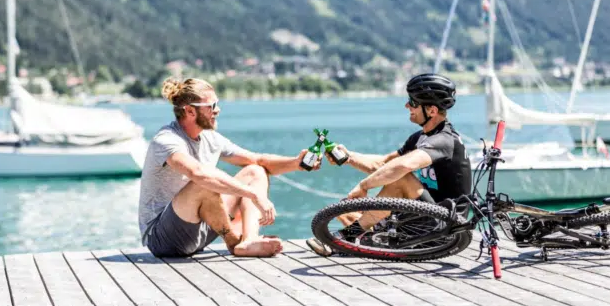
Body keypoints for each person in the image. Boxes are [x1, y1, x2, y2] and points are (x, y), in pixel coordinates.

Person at [139, 77, 321, 258]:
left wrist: (296, 163)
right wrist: (253, 194)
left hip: (199, 229)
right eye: (211, 106)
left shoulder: (210, 138)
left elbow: (258, 160)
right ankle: (233, 241)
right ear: (190, 111)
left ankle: (248, 241)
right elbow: (198, 173)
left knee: (255, 171)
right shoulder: (167, 140)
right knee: (204, 181)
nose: (217, 110)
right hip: (163, 240)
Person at [306, 73, 472, 256]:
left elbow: (402, 167)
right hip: (420, 218)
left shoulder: (445, 140)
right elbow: (385, 164)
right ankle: (367, 238)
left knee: (401, 179)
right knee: (345, 209)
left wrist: (364, 186)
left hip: (445, 227)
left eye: (413, 102)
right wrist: (349, 157)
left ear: (432, 111)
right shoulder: (420, 138)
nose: (407, 106)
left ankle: (348, 237)